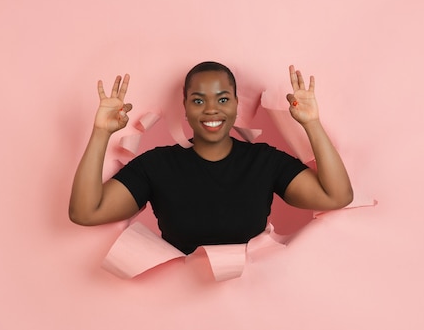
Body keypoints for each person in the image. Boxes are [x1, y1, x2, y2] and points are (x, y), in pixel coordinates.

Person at [69, 62, 353, 254]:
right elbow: (86, 212)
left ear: (236, 103)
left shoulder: (264, 161)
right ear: (185, 106)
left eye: (222, 99)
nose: (211, 110)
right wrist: (101, 132)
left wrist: (312, 123)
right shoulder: (156, 165)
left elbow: (336, 197)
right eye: (198, 100)